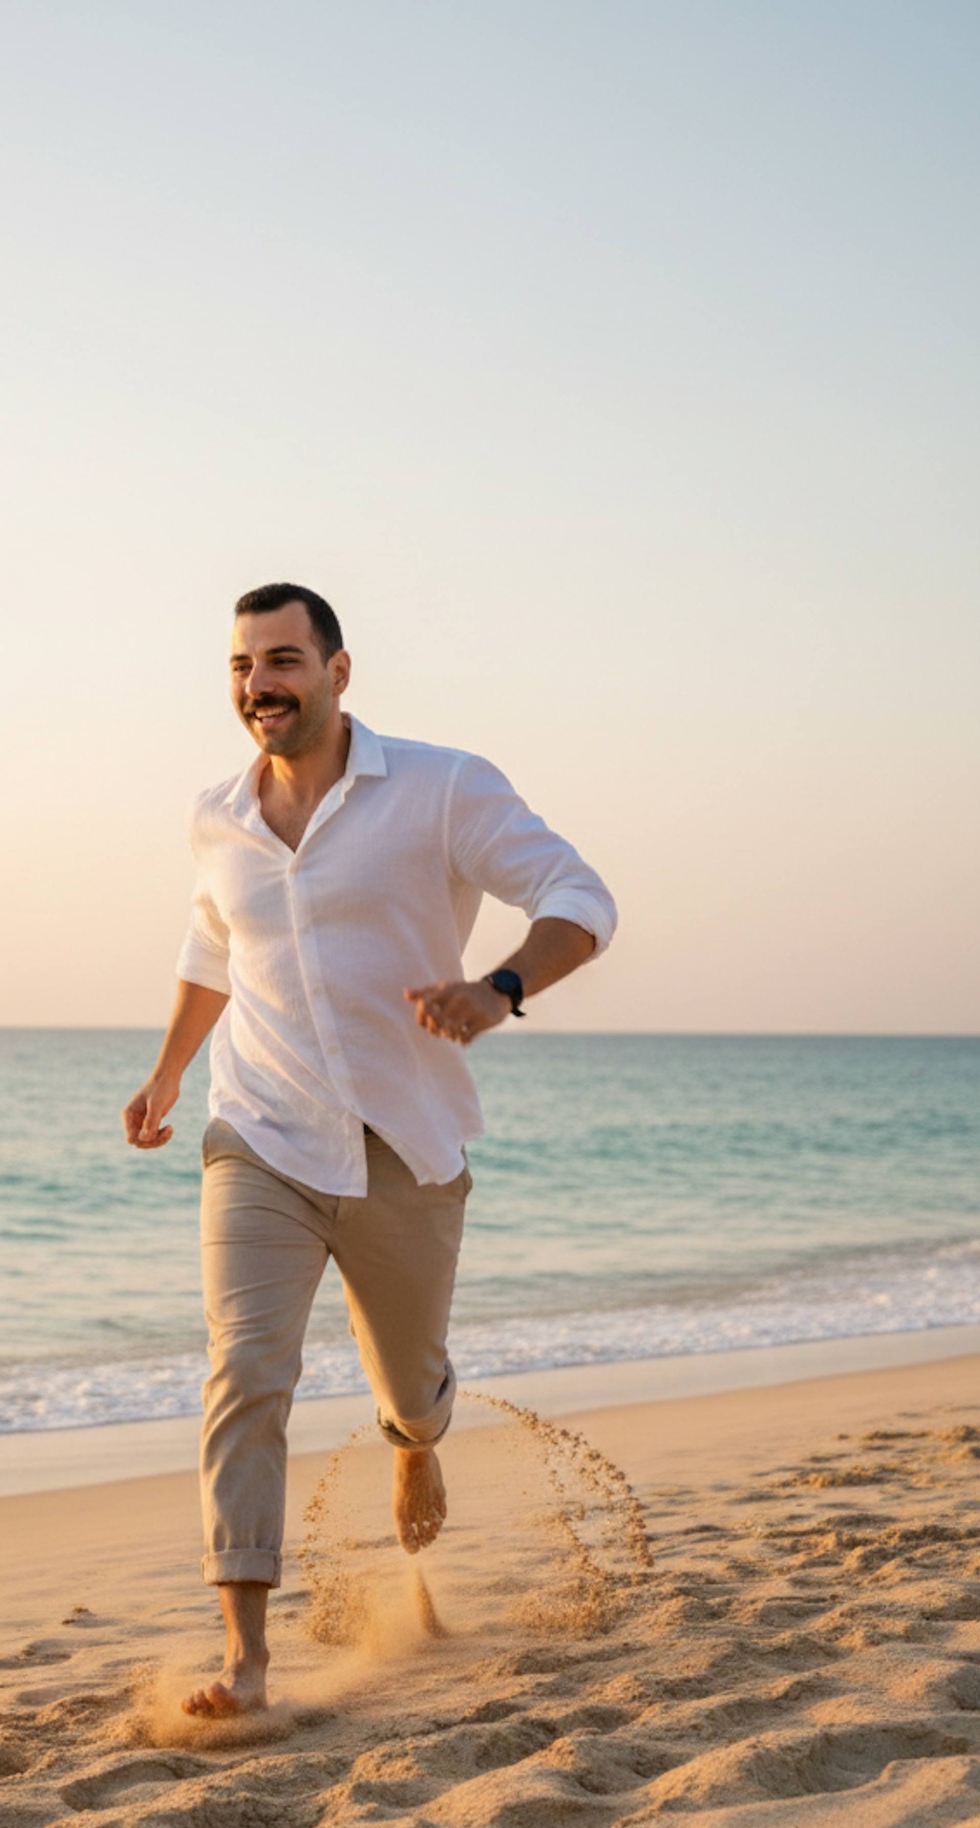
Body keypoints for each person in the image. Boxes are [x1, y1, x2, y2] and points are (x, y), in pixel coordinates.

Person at [122, 583, 616, 1717]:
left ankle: (412, 1436)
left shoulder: (442, 786)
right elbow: (212, 948)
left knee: (413, 1386)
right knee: (245, 1370)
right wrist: (165, 1071)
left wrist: (497, 988)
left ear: (341, 672)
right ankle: (246, 1660)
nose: (260, 686)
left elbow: (580, 898)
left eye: (283, 660)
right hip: (259, 1134)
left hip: (405, 1143)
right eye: (242, 667)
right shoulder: (217, 816)